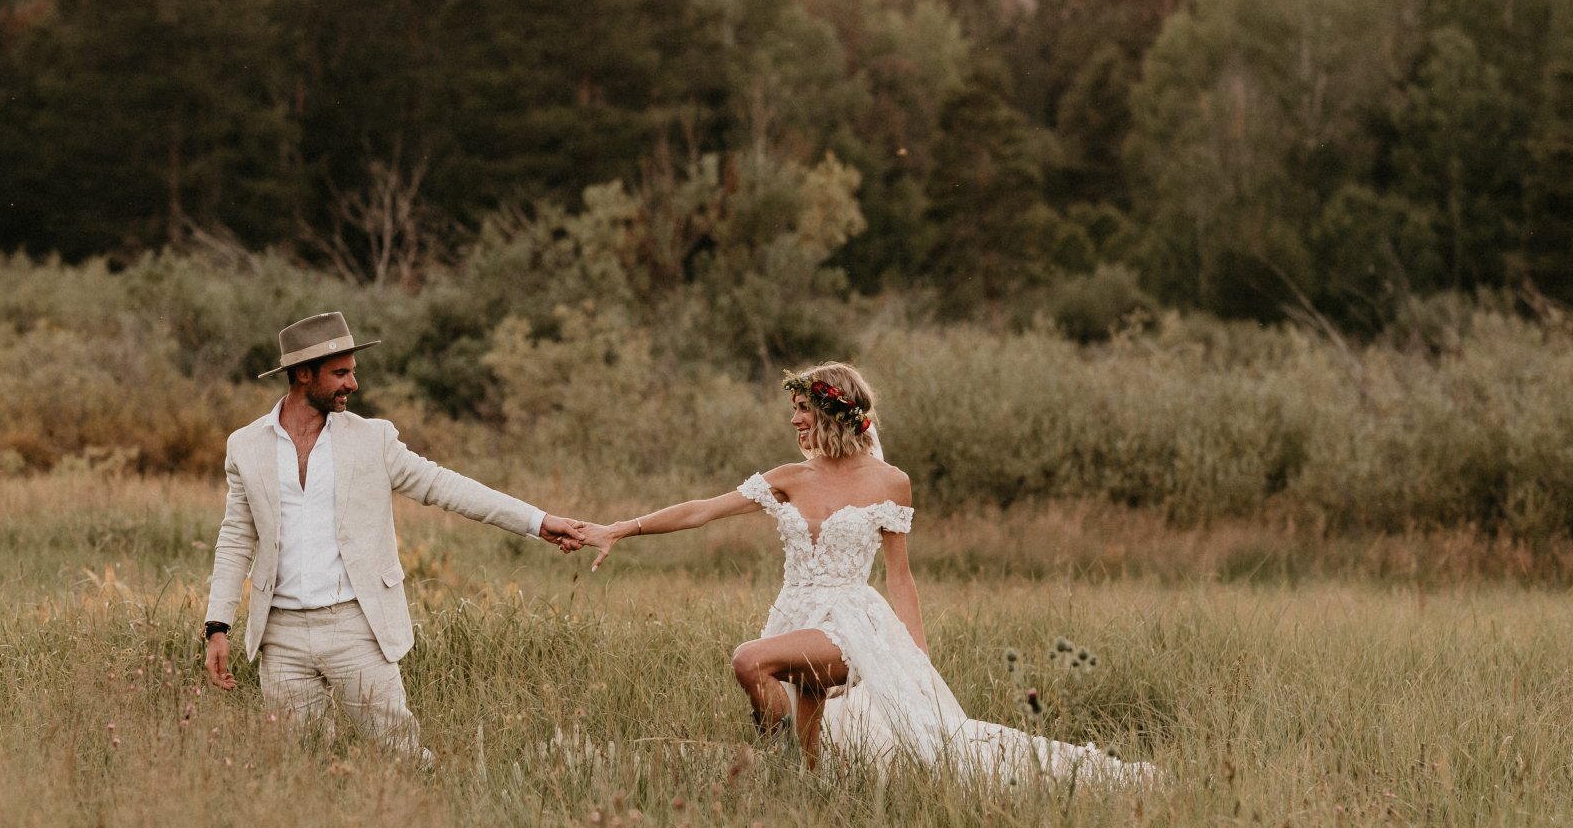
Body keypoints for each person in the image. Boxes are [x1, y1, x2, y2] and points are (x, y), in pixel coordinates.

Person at [580, 362, 1151, 781]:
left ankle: (790, 768)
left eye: (803, 410)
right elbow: (700, 511)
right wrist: (618, 529)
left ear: (834, 410)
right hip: (796, 613)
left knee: (750, 658)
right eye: (794, 413)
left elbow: (900, 576)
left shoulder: (890, 482)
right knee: (801, 704)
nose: (796, 422)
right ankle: (804, 784)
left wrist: (918, 659)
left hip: (853, 622)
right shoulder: (790, 478)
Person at [201, 311, 586, 758]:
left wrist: (538, 522)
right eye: (340, 373)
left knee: (401, 755)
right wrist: (217, 625)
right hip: (280, 637)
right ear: (303, 374)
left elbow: (446, 487)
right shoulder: (245, 446)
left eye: (353, 372)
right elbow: (235, 538)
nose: (353, 384)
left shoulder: (373, 440)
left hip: (355, 626)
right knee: (298, 767)